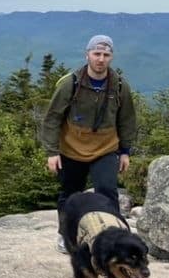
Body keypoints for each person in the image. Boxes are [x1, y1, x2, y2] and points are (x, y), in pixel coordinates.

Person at [40, 34, 137, 253]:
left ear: (111, 57)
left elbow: (127, 120)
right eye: (96, 54)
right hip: (72, 148)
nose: (101, 59)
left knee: (107, 191)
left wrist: (125, 151)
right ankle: (67, 235)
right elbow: (52, 118)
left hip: (106, 148)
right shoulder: (70, 84)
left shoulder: (120, 86)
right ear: (87, 55)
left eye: (106, 54)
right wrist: (52, 152)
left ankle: (114, 238)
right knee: (70, 194)